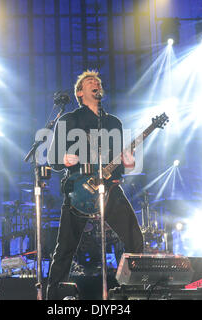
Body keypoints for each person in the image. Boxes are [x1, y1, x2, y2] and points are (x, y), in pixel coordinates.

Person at [46, 70, 143, 300]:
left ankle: (133, 291)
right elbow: (53, 160)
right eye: (90, 81)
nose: (95, 83)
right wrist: (64, 158)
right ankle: (53, 297)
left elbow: (120, 166)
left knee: (134, 238)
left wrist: (128, 162)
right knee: (65, 248)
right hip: (79, 188)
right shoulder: (69, 120)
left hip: (108, 187)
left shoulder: (113, 123)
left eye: (98, 81)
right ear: (80, 93)